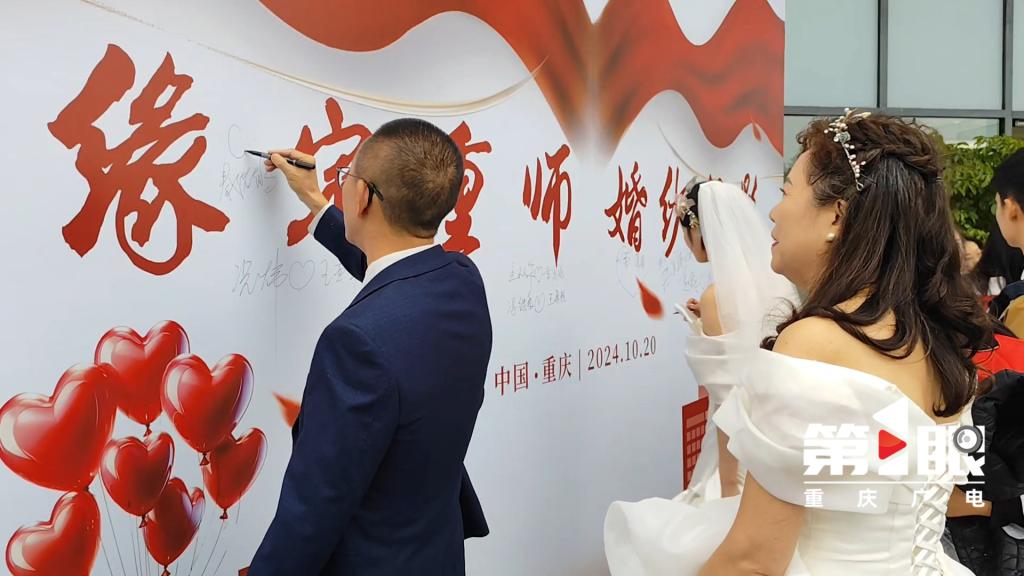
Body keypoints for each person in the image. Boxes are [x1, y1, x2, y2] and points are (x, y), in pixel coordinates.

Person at [605, 111, 989, 575]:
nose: (773, 212)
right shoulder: (935, 341)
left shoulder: (816, 342)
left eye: (787, 192)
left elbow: (753, 560)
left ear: (836, 215)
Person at [249, 118, 492, 576]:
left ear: (362, 196)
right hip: (435, 555)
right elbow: (395, 275)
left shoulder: (355, 344)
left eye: (347, 176)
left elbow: (311, 513)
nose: (343, 185)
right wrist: (317, 203)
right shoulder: (462, 280)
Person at [675, 178, 796, 502]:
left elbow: (728, 398)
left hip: (737, 443)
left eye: (685, 230)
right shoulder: (776, 282)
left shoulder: (716, 296)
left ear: (698, 229)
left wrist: (728, 483)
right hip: (775, 429)